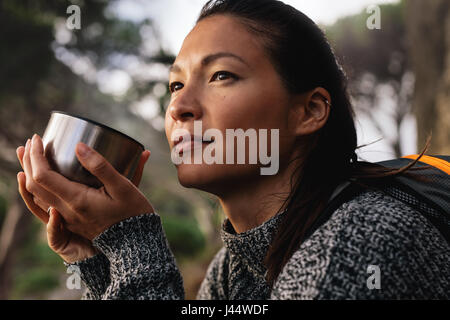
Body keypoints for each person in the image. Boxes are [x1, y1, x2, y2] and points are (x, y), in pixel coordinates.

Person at [16, 0, 449, 299]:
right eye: (176, 84)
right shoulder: (234, 266)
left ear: (309, 111)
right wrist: (100, 260)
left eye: (222, 75)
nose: (180, 107)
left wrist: (134, 246)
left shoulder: (361, 242)